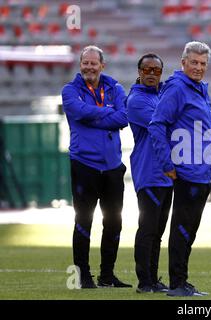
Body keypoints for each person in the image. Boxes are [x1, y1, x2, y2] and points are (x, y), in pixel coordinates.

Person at [61, 45, 131, 289]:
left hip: (112, 166)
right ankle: (83, 275)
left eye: (94, 63)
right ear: (80, 65)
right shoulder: (69, 90)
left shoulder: (116, 88)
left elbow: (124, 117)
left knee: (114, 222)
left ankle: (107, 275)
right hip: (84, 164)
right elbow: (77, 112)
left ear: (103, 65)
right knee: (83, 221)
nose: (89, 67)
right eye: (85, 63)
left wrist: (94, 116)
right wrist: (106, 113)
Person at [149, 41, 211, 297]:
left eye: (203, 64)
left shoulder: (199, 89)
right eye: (194, 63)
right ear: (183, 62)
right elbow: (157, 125)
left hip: (201, 170)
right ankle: (177, 284)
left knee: (190, 229)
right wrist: (167, 164)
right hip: (186, 170)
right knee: (183, 228)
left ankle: (182, 281)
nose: (198, 68)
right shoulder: (177, 88)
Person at [127, 53, 172, 293]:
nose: (152, 74)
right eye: (148, 70)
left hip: (167, 173)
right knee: (148, 228)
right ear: (139, 72)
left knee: (158, 231)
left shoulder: (161, 95)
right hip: (149, 171)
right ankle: (144, 281)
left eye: (157, 70)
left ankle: (153, 279)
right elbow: (163, 126)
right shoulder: (136, 100)